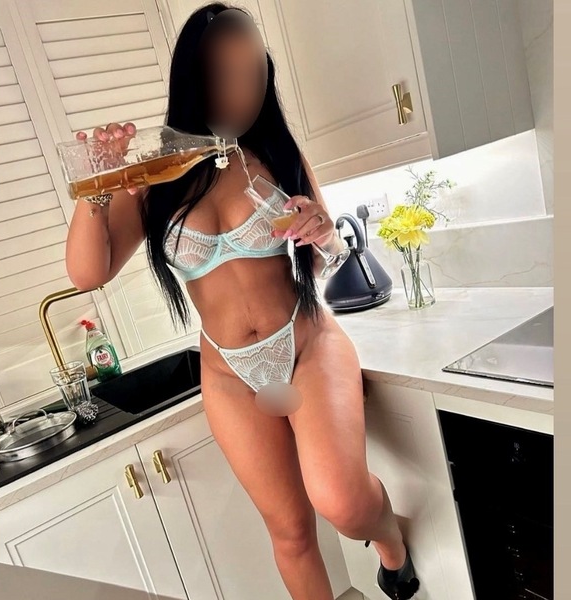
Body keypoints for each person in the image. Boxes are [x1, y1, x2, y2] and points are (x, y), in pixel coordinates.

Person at [65, 4, 419, 599]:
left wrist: (320, 228)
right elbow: (87, 271)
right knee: (290, 534)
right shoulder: (156, 176)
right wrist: (96, 184)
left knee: (344, 503)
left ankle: (390, 541)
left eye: (254, 74)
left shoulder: (277, 153)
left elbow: (324, 255)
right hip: (230, 373)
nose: (242, 93)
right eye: (225, 75)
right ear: (192, 78)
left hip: (306, 345)